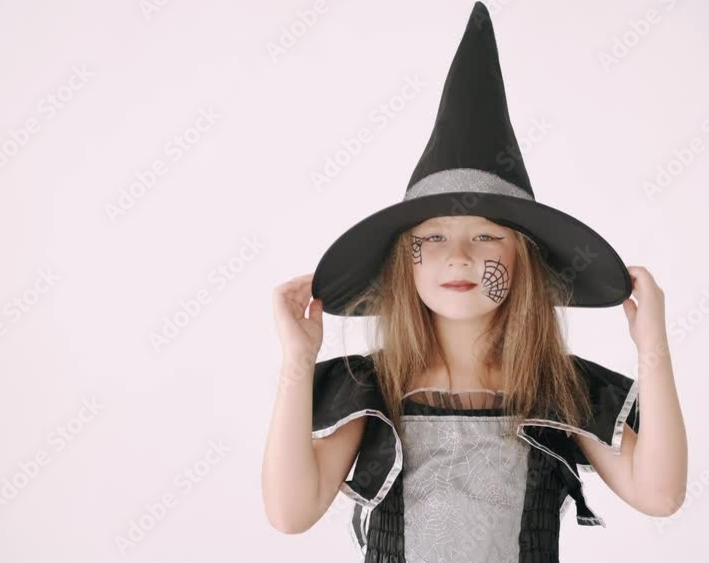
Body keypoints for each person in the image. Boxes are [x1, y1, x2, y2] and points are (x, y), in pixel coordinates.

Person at [262, 3, 687, 562]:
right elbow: (290, 513)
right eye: (432, 239)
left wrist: (652, 343)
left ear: (524, 260)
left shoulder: (556, 388)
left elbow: (660, 493)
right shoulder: (375, 388)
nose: (458, 258)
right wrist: (298, 358)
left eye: (486, 238)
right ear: (404, 262)